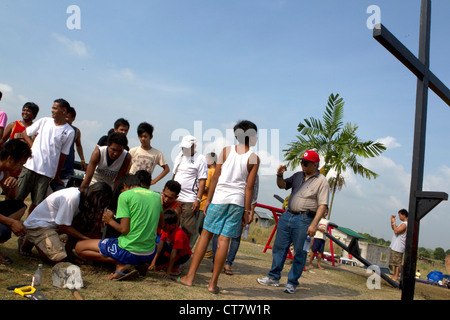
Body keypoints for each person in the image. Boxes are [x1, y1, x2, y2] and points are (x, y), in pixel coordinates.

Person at [180, 120, 260, 294]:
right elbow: (249, 187)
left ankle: (190, 277)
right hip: (237, 203)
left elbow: (215, 178)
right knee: (224, 240)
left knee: (205, 236)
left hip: (219, 199)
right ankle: (213, 284)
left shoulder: (226, 151)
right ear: (251, 136)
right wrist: (247, 211)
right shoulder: (254, 158)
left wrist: (207, 201)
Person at [257, 150, 329, 294]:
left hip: (304, 219)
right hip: (287, 215)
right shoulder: (298, 176)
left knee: (300, 252)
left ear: (315, 165)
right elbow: (282, 185)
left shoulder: (322, 182)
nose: (302, 165)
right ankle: (273, 277)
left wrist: (314, 224)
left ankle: (291, 282)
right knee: (279, 247)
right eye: (302, 162)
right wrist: (279, 175)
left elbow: (322, 205)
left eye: (306, 163)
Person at [75, 174, 163, 280]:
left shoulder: (125, 196)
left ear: (124, 186)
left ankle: (122, 262)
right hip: (149, 252)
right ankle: (137, 262)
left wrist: (110, 221)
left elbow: (124, 230)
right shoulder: (157, 196)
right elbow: (161, 225)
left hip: (128, 251)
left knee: (79, 247)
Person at [19, 182, 112, 263]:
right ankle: (30, 238)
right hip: (39, 226)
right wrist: (85, 238)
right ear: (95, 195)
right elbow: (63, 226)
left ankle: (68, 251)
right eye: (101, 202)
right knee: (59, 258)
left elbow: (78, 223)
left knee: (84, 222)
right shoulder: (73, 197)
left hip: (53, 225)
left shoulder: (84, 196)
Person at [16, 99, 75, 215]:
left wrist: (57, 175)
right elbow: (25, 133)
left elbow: (63, 155)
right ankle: (11, 221)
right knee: (18, 197)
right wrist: (32, 146)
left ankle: (28, 225)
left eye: (55, 108)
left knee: (37, 203)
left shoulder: (69, 131)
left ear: (63, 110)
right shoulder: (44, 121)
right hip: (30, 166)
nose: (52, 110)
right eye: (52, 108)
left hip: (47, 172)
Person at [212, 174, 259, 275]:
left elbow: (254, 191)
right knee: (218, 233)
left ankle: (228, 263)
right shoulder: (229, 162)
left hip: (241, 205)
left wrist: (250, 210)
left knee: (236, 237)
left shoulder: (253, 170)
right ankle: (216, 262)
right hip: (223, 201)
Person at [173, 135, 208, 248]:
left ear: (194, 146)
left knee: (187, 228)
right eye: (183, 147)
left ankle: (183, 252)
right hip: (176, 197)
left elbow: (202, 181)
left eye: (188, 148)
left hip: (189, 199)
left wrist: (198, 199)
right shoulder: (180, 156)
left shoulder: (200, 158)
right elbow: (174, 174)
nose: (185, 150)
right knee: (172, 224)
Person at [0, 139, 31, 264]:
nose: (20, 167)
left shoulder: (4, 171)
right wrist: (11, 222)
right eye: (20, 164)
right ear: (10, 158)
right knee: (3, 232)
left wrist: (14, 186)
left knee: (20, 206)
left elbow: (12, 199)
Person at [50, 107, 87, 191]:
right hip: (54, 162)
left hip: (67, 164)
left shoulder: (76, 131)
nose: (65, 119)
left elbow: (78, 145)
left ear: (73, 119)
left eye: (67, 117)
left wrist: (82, 160)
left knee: (62, 189)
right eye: (64, 116)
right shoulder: (55, 127)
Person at [149, 209, 192, 278]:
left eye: (164, 226)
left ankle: (174, 268)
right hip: (170, 249)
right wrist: (153, 263)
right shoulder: (166, 230)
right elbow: (160, 245)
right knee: (157, 258)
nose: (162, 228)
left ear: (172, 225)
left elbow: (174, 253)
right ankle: (165, 265)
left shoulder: (179, 234)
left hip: (182, 254)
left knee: (167, 261)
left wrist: (168, 273)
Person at [128, 122, 169, 186]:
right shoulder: (133, 151)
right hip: (131, 184)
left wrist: (154, 181)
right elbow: (127, 166)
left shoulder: (157, 154)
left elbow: (166, 169)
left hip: (145, 185)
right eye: (140, 136)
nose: (143, 139)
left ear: (151, 137)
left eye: (145, 136)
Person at [192, 152, 216, 256]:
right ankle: (209, 248)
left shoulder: (209, 172)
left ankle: (189, 247)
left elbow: (206, 188)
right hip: (212, 204)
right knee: (205, 228)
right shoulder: (218, 172)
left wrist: (198, 186)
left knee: (196, 228)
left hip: (203, 203)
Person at [389, 208, 408, 282]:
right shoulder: (402, 223)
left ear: (404, 215)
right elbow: (394, 228)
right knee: (394, 262)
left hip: (399, 246)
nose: (399, 217)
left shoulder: (404, 224)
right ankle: (394, 275)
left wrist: (394, 222)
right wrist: (392, 222)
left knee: (397, 263)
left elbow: (396, 231)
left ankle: (396, 276)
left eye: (400, 215)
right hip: (396, 246)